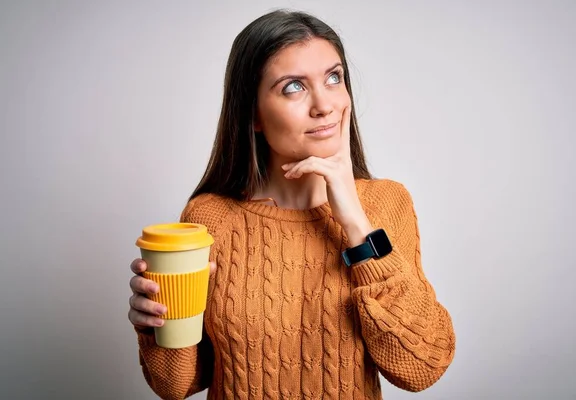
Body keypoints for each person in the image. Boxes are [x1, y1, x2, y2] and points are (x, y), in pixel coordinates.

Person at [128, 9, 455, 400]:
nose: (324, 105)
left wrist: (354, 219)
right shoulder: (209, 217)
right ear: (253, 115)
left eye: (334, 78)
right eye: (293, 87)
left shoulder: (386, 204)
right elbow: (175, 384)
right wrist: (156, 326)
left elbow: (421, 367)